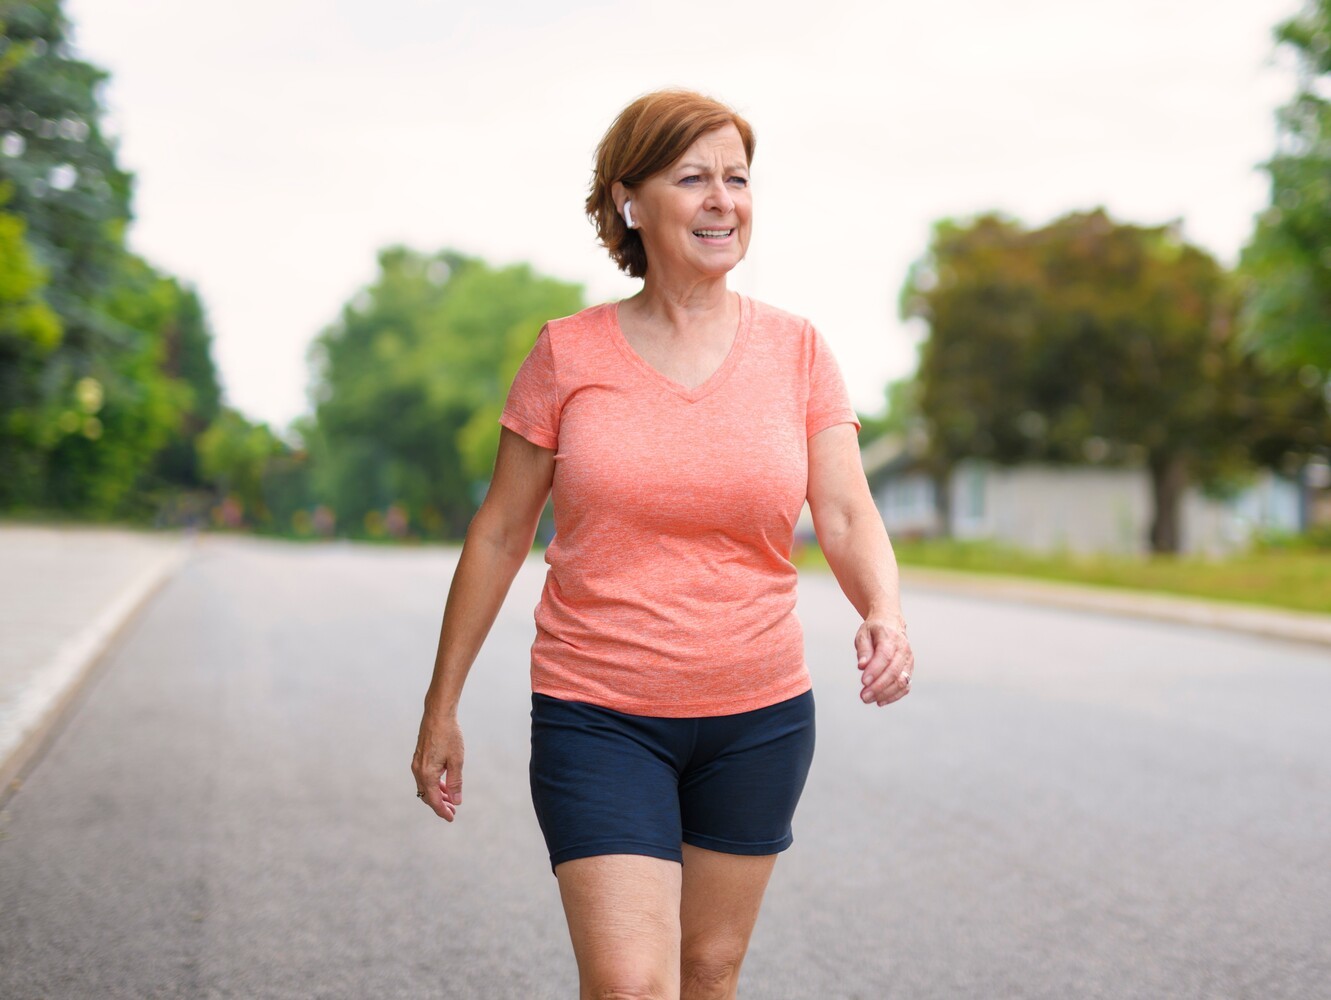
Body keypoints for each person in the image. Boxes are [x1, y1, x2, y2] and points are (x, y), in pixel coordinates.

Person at [411, 89, 914, 1000]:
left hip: (757, 716)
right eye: (693, 178)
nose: (723, 199)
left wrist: (883, 610)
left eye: (738, 178)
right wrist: (440, 705)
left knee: (707, 973)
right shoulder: (567, 354)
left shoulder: (797, 351)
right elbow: (497, 534)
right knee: (632, 986)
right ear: (628, 202)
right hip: (597, 710)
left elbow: (844, 513)